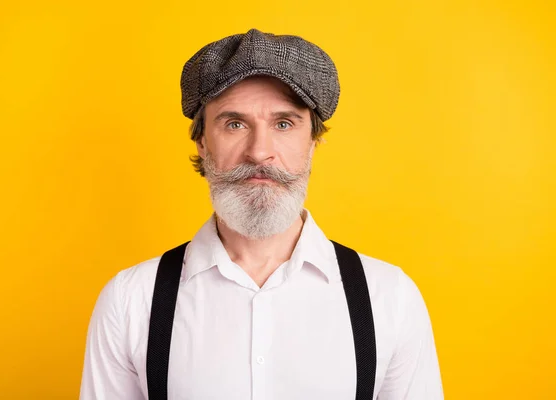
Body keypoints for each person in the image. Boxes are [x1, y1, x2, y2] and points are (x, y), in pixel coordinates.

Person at [80, 28, 443, 400]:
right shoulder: (131, 302)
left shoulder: (389, 298)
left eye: (283, 124)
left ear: (314, 142)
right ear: (203, 141)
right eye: (234, 123)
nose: (259, 152)